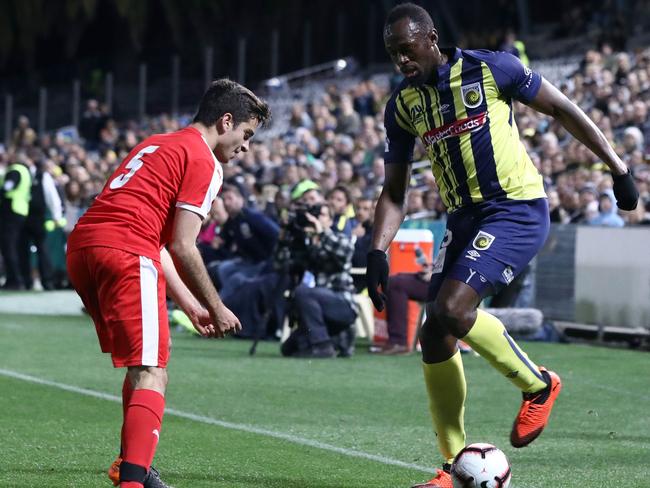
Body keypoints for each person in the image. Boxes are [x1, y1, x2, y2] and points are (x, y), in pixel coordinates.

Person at [366, 4, 639, 487]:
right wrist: (377, 250)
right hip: (463, 218)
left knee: (450, 309)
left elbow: (562, 109)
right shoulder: (403, 106)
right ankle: (451, 470)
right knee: (435, 334)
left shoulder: (491, 67)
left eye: (406, 50)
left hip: (515, 207)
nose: (401, 62)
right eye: (393, 55)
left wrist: (618, 169)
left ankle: (538, 385)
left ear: (430, 38)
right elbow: (394, 190)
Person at [66, 78, 270, 488]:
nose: (246, 146)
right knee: (152, 371)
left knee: (141, 363)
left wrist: (191, 306)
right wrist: (216, 305)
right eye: (246, 134)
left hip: (85, 247)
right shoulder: (204, 159)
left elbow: (157, 241)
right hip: (125, 251)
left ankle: (130, 462)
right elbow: (182, 245)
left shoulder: (155, 143)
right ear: (225, 120)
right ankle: (132, 480)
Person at [277, 203, 358, 358]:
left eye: (321, 216)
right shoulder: (305, 242)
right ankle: (338, 337)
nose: (315, 220)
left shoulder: (337, 238)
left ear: (330, 221)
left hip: (341, 302)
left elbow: (346, 252)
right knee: (288, 349)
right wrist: (283, 235)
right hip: (315, 309)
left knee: (302, 292)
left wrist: (321, 232)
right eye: (314, 216)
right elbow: (280, 265)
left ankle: (323, 346)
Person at [0, 153, 32, 289]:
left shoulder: (15, 170)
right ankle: (16, 279)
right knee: (13, 246)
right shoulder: (25, 171)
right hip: (20, 211)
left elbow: (8, 187)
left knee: (8, 246)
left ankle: (14, 280)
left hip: (11, 211)